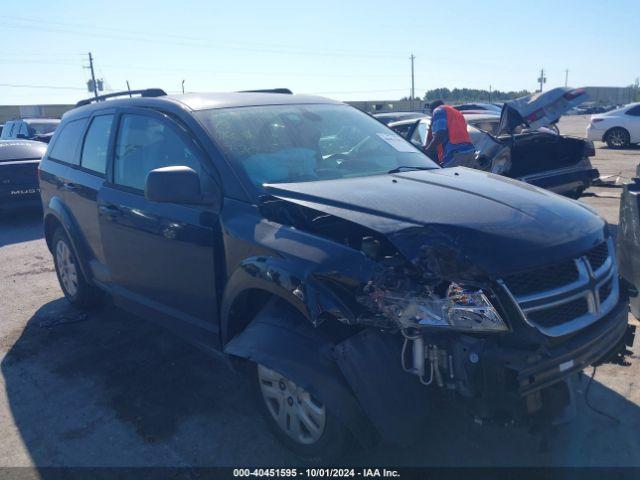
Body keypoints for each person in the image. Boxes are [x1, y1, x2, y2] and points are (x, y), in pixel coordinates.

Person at [424, 100, 476, 167]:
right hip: (469, 151)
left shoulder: (438, 111)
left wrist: (427, 150)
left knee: (448, 176)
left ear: (432, 109)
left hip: (455, 153)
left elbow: (439, 135)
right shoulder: (456, 112)